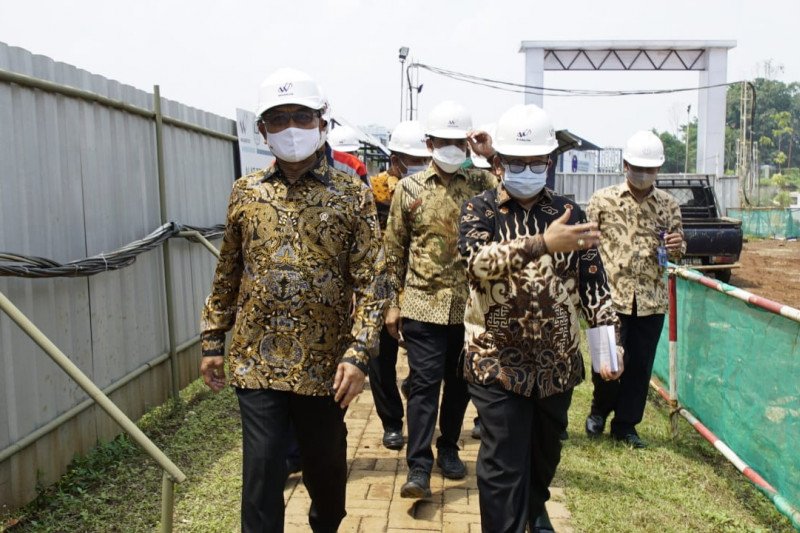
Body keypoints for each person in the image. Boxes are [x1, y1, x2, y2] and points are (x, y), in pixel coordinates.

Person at [199, 67, 387, 533]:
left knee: (326, 478)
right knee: (262, 474)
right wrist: (210, 340)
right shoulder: (247, 192)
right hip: (255, 358)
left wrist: (360, 353)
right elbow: (228, 272)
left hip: (326, 365)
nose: (290, 129)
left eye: (301, 116)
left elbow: (373, 282)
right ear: (262, 130)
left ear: (323, 121)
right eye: (278, 119)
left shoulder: (351, 195)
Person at [458, 104, 622, 533]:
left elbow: (594, 284)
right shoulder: (480, 211)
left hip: (556, 363)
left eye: (535, 162)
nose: (526, 169)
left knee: (543, 457)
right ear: (500, 163)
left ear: (549, 161)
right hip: (496, 362)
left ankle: (532, 510)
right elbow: (477, 264)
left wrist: (608, 345)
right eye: (516, 161)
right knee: (502, 463)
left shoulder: (571, 213)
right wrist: (542, 244)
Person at [384, 100, 498, 499]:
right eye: (443, 141)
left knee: (460, 383)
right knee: (424, 387)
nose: (452, 148)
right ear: (429, 142)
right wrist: (392, 304)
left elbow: (513, 195)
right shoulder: (408, 189)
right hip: (421, 305)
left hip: (469, 308)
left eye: (459, 142)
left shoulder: (481, 185)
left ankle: (449, 446)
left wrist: (490, 154)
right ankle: (418, 466)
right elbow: (394, 250)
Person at [584, 130, 685, 449]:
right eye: (637, 167)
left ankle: (626, 425)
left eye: (650, 169)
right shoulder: (602, 199)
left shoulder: (668, 205)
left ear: (658, 170)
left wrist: (678, 245)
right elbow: (587, 245)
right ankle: (599, 411)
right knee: (607, 362)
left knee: (639, 366)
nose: (643, 174)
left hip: (651, 299)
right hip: (609, 297)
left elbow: (679, 249)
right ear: (625, 165)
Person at [368, 120, 430, 450]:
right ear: (395, 159)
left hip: (422, 283)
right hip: (382, 282)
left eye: (423, 158)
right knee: (380, 360)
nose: (419, 165)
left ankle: (415, 385)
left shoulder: (435, 188)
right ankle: (392, 421)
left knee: (427, 353)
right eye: (411, 158)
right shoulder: (375, 191)